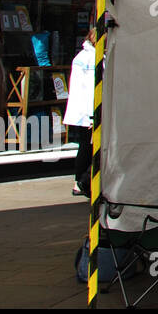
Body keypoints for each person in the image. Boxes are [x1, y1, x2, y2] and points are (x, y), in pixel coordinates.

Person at [64, 28, 96, 197]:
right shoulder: (91, 59)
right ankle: (82, 182)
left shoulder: (82, 57)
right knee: (88, 147)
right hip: (88, 114)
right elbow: (91, 89)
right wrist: (93, 115)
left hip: (83, 113)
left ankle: (80, 181)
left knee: (85, 147)